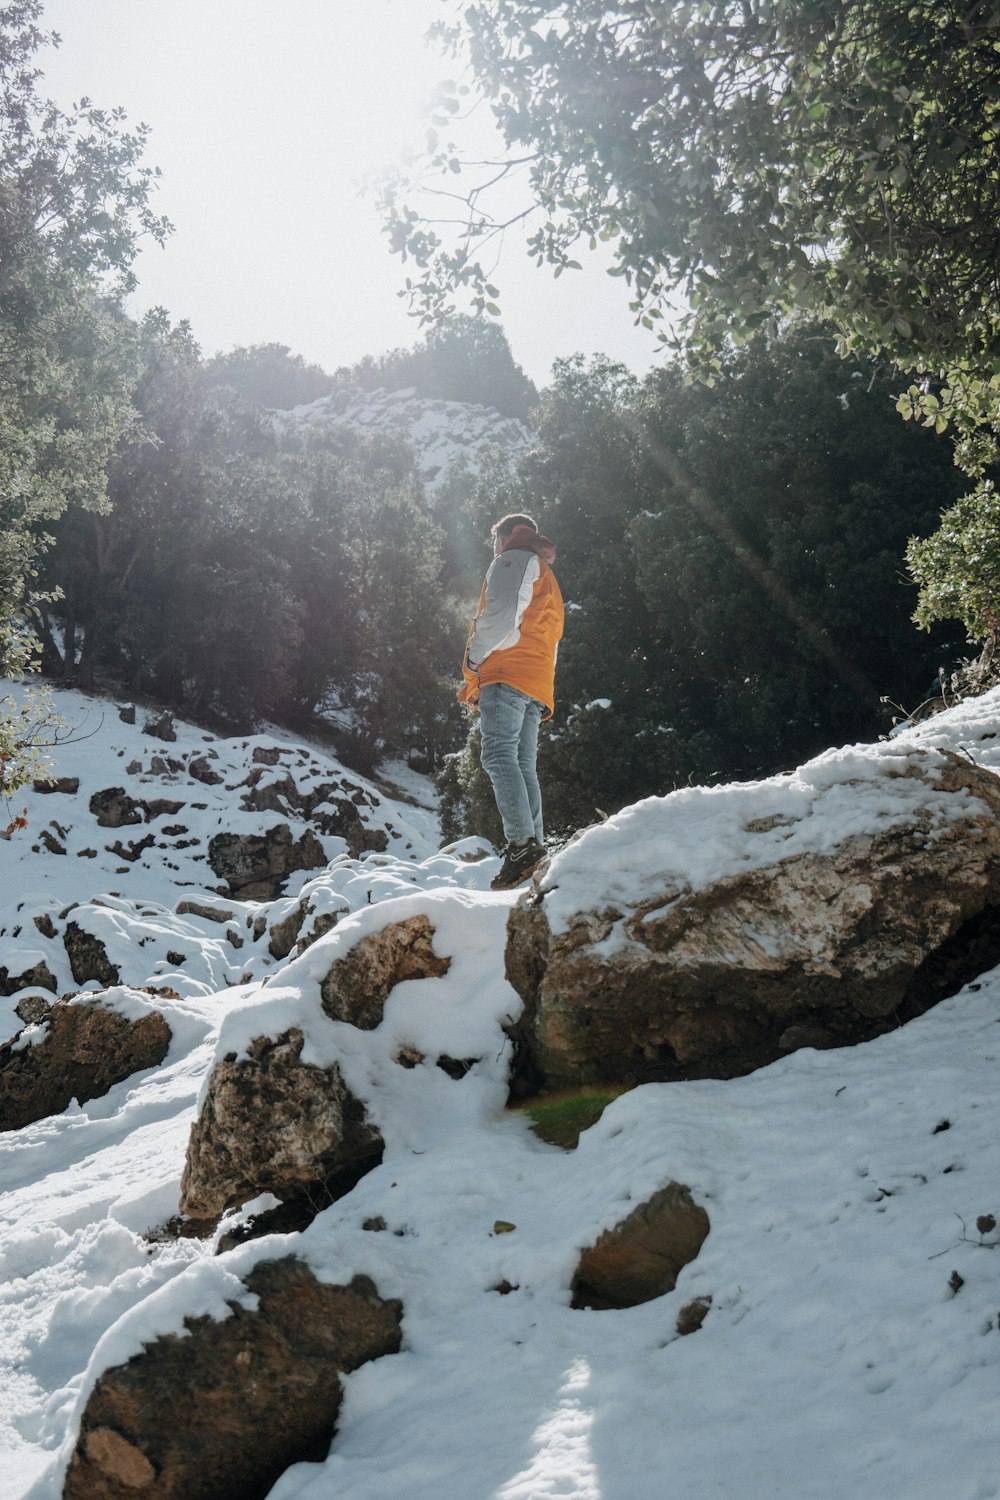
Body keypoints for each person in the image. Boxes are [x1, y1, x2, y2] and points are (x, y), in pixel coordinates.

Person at [459, 512, 564, 889]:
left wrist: (473, 657)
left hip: (506, 672)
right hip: (536, 682)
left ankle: (521, 845)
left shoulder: (513, 559)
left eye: (493, 542)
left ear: (505, 536)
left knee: (497, 754)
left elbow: (501, 615)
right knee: (522, 762)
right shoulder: (547, 577)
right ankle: (534, 847)